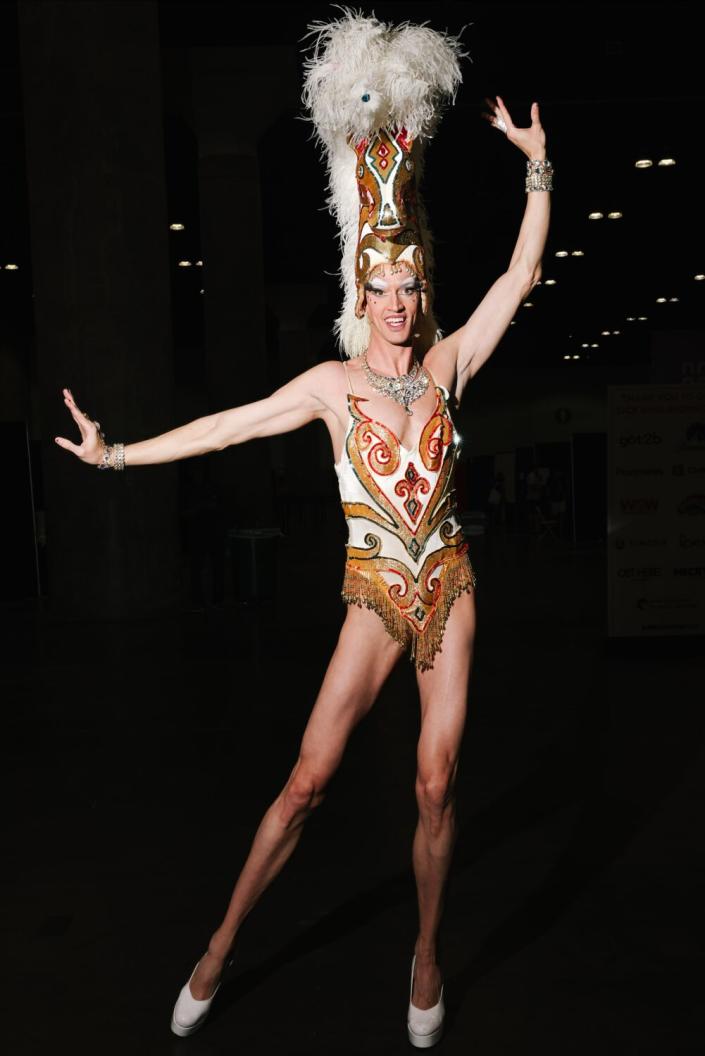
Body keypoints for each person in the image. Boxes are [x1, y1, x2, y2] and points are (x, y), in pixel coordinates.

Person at [55, 12, 551, 1048]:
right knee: (306, 783)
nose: (398, 300)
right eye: (381, 285)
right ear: (359, 293)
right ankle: (221, 945)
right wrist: (114, 458)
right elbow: (230, 427)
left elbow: (518, 282)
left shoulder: (452, 364)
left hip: (449, 583)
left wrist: (537, 174)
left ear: (422, 287)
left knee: (435, 781)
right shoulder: (333, 386)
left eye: (410, 283)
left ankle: (424, 954)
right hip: (375, 591)